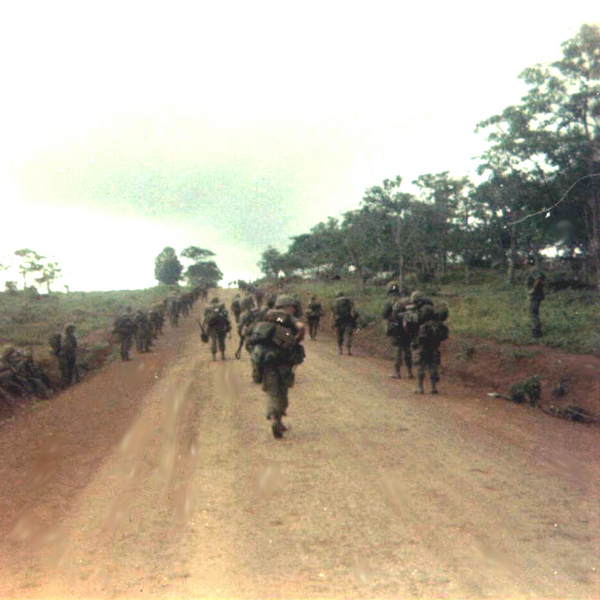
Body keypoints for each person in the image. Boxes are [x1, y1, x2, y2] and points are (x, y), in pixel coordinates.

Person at [249, 294, 306, 439]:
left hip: (266, 360)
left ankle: (275, 419)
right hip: (283, 361)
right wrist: (296, 340)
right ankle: (278, 420)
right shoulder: (288, 317)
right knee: (282, 392)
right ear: (289, 306)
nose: (293, 309)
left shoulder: (265, 315)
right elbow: (301, 327)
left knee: (271, 391)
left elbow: (249, 332)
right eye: (292, 306)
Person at [404, 291, 448, 395]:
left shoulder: (422, 310)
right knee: (433, 364)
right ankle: (433, 388)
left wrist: (407, 315)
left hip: (421, 341)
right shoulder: (434, 309)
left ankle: (420, 387)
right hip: (434, 342)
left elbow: (414, 322)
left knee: (420, 363)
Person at [383, 282, 413, 379]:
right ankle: (409, 372)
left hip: (396, 328)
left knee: (398, 350)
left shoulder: (390, 301)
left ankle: (397, 372)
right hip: (408, 328)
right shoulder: (406, 300)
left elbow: (384, 314)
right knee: (407, 349)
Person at [526, 266, 546, 338]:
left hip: (536, 295)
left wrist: (533, 289)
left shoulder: (534, 269)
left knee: (533, 312)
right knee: (534, 312)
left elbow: (538, 279)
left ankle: (536, 332)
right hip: (537, 295)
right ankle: (536, 330)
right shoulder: (536, 269)